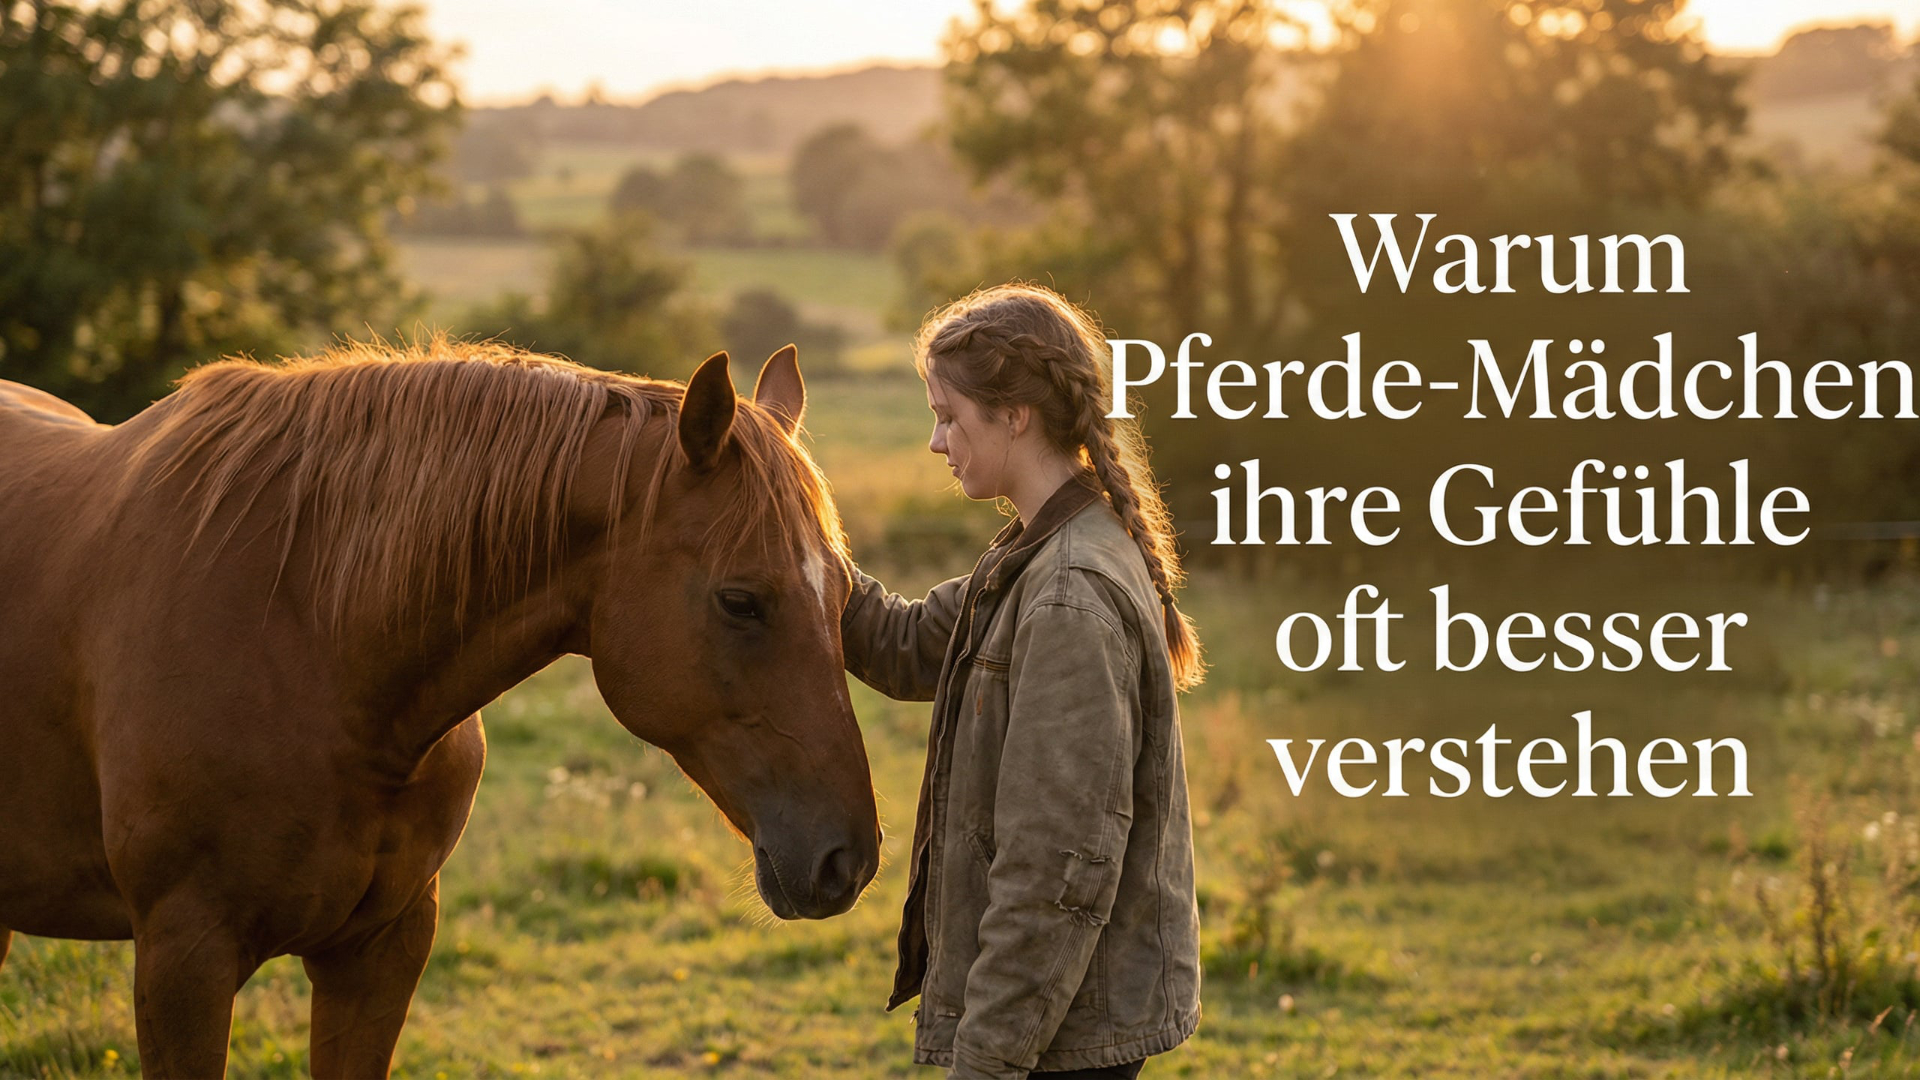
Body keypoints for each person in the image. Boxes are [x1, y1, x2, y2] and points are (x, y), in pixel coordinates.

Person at [841, 283, 1204, 1080]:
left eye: (949, 417)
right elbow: (904, 644)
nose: (935, 442)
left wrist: (987, 1059)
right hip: (1057, 1021)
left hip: (1058, 1035)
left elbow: (1057, 869)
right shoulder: (1038, 548)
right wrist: (792, 541)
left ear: (1014, 416)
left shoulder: (1068, 593)